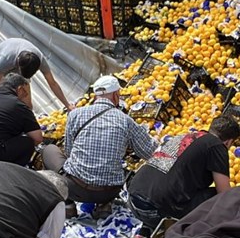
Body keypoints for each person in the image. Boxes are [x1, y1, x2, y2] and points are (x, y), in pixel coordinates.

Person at [42, 75, 156, 206]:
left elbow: (69, 151)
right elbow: (150, 153)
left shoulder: (75, 114)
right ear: (115, 95)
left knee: (49, 150)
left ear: (95, 96)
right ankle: (103, 206)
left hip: (75, 189)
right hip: (109, 192)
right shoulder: (126, 121)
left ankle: (68, 205)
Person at [127, 115, 240, 232]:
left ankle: (148, 230)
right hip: (155, 212)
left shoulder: (185, 136)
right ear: (229, 142)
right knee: (220, 197)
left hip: (132, 200)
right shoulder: (217, 145)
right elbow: (224, 193)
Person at [0, 38, 73, 112]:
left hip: (22, 66)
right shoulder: (5, 60)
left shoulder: (40, 60)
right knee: (4, 101)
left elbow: (52, 83)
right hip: (2, 69)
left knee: (27, 105)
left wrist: (68, 105)